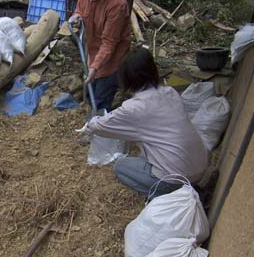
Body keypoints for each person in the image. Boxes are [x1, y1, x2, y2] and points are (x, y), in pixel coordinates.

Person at [79, 48, 208, 198]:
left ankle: (168, 196)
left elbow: (101, 126)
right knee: (144, 154)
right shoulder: (170, 92)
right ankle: (189, 187)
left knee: (121, 167)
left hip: (176, 176)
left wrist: (88, 126)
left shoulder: (134, 108)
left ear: (125, 78)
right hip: (200, 165)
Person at [69, 0, 131, 113]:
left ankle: (101, 124)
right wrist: (76, 16)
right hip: (93, 52)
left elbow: (109, 43)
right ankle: (92, 116)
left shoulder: (117, 2)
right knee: (89, 93)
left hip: (111, 59)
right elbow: (80, 10)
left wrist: (95, 67)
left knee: (101, 98)